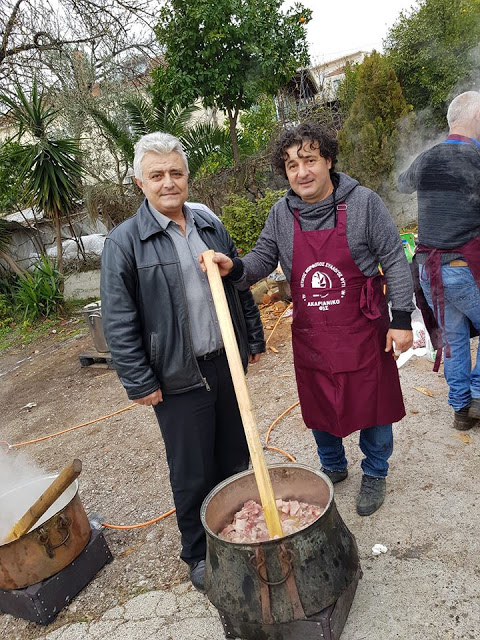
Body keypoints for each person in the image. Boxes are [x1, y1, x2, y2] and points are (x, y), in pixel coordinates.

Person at [204, 122, 414, 517]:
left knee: (373, 402)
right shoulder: (282, 214)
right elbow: (262, 261)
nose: (301, 172)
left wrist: (400, 319)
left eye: (309, 160)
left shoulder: (364, 203)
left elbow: (395, 260)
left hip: (362, 330)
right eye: (291, 165)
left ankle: (375, 470)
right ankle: (332, 465)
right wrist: (232, 267)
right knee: (320, 401)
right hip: (314, 335)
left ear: (328, 161)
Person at [100, 132, 265, 592]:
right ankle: (198, 553)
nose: (168, 182)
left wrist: (252, 336)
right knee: (193, 472)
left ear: (187, 177)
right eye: (157, 175)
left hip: (226, 363)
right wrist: (138, 379)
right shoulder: (124, 242)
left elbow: (238, 283)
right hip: (176, 378)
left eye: (176, 172)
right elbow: (119, 319)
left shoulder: (209, 224)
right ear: (139, 181)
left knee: (235, 456)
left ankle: (239, 536)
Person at [398, 90, 480, 431]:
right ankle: (476, 394)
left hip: (430, 273)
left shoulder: (428, 157)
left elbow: (403, 184)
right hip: (464, 270)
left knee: (456, 340)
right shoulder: (477, 159)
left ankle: (461, 410)